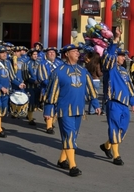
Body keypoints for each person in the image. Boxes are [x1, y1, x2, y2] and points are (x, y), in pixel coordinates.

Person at [44, 44, 101, 177]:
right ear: (66, 54)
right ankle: (73, 166)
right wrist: (48, 110)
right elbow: (51, 93)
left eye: (77, 51)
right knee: (69, 136)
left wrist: (95, 104)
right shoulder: (58, 72)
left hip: (79, 110)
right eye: (74, 51)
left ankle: (62, 160)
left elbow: (91, 88)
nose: (77, 53)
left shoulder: (83, 71)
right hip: (64, 110)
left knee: (72, 136)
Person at [100, 27, 134, 166]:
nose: (124, 57)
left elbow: (130, 88)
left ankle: (106, 145)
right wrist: (115, 39)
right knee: (114, 127)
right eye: (121, 55)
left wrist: (133, 101)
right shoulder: (110, 68)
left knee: (123, 129)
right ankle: (117, 156)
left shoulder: (124, 71)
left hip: (125, 104)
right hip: (114, 102)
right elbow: (109, 54)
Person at [0, 46, 25, 138]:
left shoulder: (8, 63)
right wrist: (1, 87)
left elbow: (12, 76)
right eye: (2, 53)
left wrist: (19, 84)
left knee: (4, 110)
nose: (5, 54)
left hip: (7, 90)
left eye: (5, 53)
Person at [37, 47, 63, 134]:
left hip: (59, 89)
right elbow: (42, 78)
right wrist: (52, 85)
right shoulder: (43, 64)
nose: (51, 54)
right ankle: (49, 127)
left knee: (57, 107)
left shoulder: (60, 63)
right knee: (49, 106)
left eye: (53, 52)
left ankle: (51, 121)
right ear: (46, 54)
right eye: (49, 53)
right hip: (48, 89)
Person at [22, 48, 40, 125]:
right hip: (30, 86)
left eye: (36, 54)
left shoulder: (39, 62)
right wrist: (33, 81)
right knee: (31, 101)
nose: (36, 56)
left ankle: (30, 114)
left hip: (38, 86)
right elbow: (25, 76)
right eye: (34, 54)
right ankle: (30, 119)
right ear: (30, 55)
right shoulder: (26, 63)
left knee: (36, 101)